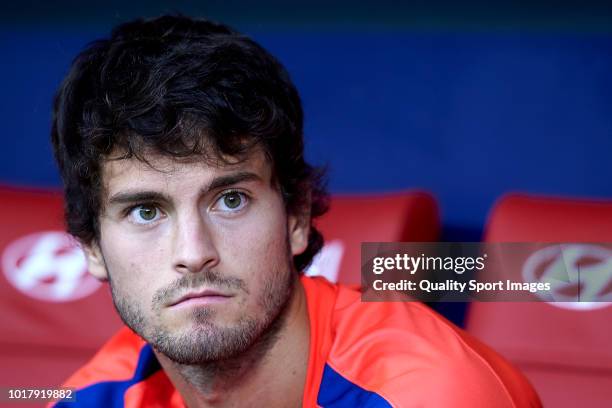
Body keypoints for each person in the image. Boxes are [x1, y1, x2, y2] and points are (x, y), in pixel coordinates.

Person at [50, 15, 541, 407]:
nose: (193, 253)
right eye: (145, 212)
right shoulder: (96, 396)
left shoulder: (423, 393)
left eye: (230, 200)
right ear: (91, 246)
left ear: (297, 218)